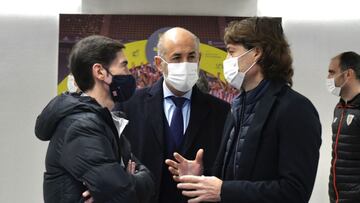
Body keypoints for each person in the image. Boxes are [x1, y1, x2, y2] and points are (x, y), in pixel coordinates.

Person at [165, 17, 322, 203]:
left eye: (231, 52)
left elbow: (295, 191)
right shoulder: (238, 106)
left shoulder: (295, 109)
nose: (226, 60)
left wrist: (224, 191)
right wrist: (203, 177)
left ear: (256, 53)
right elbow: (235, 176)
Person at [35, 35, 154, 203]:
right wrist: (124, 180)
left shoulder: (104, 120)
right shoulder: (82, 126)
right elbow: (124, 193)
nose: (129, 73)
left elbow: (147, 180)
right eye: (124, 66)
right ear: (100, 72)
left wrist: (122, 182)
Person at [121, 27, 230, 203]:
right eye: (177, 58)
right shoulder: (129, 106)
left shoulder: (222, 111)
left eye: (192, 57)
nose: (185, 64)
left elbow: (226, 170)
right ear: (159, 63)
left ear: (199, 59)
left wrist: (203, 176)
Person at [326, 51, 360, 203]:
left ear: (348, 74)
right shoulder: (339, 108)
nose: (328, 79)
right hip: (337, 197)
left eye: (332, 72)